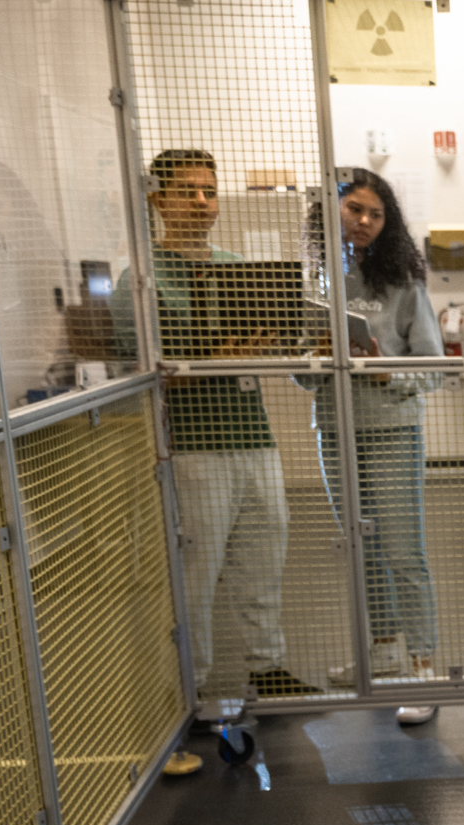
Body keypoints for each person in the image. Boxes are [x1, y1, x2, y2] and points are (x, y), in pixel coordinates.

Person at [111, 148, 320, 713]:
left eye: (210, 191)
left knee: (263, 560)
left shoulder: (237, 267)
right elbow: (149, 374)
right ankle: (193, 685)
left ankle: (267, 666)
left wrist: (280, 340)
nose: (203, 203)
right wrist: (224, 355)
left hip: (254, 438)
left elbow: (262, 346)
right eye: (188, 191)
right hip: (193, 448)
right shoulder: (142, 280)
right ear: (157, 199)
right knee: (198, 571)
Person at [305, 170, 444, 727]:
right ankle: (384, 650)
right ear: (329, 212)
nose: (363, 221)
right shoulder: (315, 283)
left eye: (375, 214)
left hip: (392, 429)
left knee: (403, 551)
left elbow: (433, 365)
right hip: (335, 431)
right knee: (360, 545)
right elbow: (301, 378)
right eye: (354, 209)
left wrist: (388, 374)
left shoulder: (405, 283)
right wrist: (315, 357)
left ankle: (424, 666)